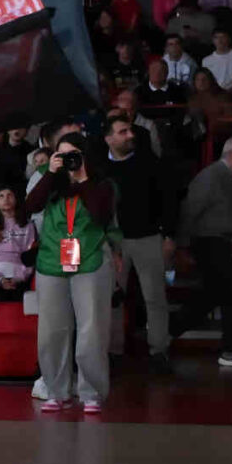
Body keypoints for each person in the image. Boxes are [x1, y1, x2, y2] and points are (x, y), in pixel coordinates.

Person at [27, 132, 115, 412]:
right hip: (52, 260)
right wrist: (51, 174)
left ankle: (91, 393)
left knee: (91, 330)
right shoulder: (49, 179)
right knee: (51, 330)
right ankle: (56, 390)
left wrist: (83, 178)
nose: (69, 160)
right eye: (63, 155)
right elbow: (30, 207)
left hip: (90, 258)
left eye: (74, 154)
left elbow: (102, 214)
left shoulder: (101, 181)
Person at [98, 113, 175, 364]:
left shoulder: (149, 162)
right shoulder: (100, 168)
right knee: (112, 299)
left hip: (147, 237)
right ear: (108, 138)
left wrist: (169, 234)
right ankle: (113, 351)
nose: (130, 135)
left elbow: (168, 200)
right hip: (113, 243)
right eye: (123, 132)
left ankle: (159, 351)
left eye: (130, 130)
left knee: (155, 297)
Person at [178, 137, 232, 370]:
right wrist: (182, 246)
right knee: (228, 294)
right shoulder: (211, 177)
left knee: (213, 295)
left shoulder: (222, 177)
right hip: (209, 242)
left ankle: (170, 329)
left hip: (217, 242)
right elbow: (189, 211)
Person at [0, 186, 35, 294]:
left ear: (16, 200)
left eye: (9, 195)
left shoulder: (28, 226)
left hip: (20, 279)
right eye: (1, 196)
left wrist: (19, 278)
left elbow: (30, 257)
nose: (6, 199)